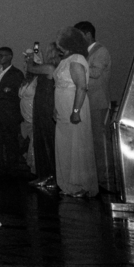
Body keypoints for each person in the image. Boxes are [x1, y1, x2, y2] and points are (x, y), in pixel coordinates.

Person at [53, 27, 97, 197]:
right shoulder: (65, 60)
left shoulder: (77, 59)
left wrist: (76, 111)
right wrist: (55, 109)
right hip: (63, 111)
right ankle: (69, 185)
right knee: (65, 147)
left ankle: (82, 186)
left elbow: (81, 87)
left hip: (74, 107)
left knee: (78, 145)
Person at [76, 20, 114, 194]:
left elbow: (96, 73)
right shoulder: (86, 55)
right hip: (89, 104)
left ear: (87, 35)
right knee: (91, 143)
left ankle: (105, 180)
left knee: (100, 143)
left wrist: (76, 68)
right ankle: (97, 179)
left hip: (98, 103)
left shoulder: (101, 51)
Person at [0, 46, 28, 179]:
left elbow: (14, 93)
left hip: (9, 116)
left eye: (2, 55)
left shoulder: (16, 74)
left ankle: (12, 171)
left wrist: (3, 92)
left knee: (11, 144)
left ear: (10, 57)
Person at [27, 42, 60, 191]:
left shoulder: (50, 68)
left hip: (46, 105)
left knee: (47, 140)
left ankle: (51, 175)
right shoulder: (49, 67)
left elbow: (31, 68)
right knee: (40, 139)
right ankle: (44, 174)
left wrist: (30, 58)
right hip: (41, 105)